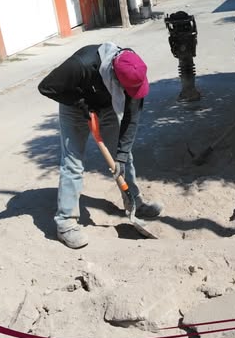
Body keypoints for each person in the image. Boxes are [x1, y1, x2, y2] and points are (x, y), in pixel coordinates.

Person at [38, 42, 162, 249]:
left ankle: (134, 203)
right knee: (73, 162)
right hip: (75, 106)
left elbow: (131, 119)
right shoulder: (81, 65)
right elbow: (46, 87)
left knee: (124, 157)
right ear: (114, 76)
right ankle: (65, 223)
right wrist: (81, 104)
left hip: (107, 105)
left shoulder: (134, 70)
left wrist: (121, 155)